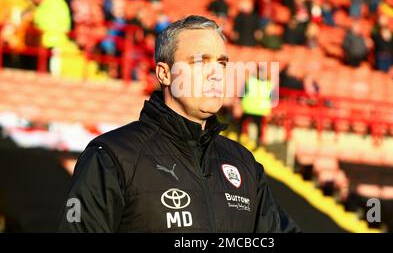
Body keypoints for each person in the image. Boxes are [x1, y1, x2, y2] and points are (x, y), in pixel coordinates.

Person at [57, 15, 300, 233]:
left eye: (221, 63)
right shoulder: (112, 157)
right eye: (200, 62)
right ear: (164, 73)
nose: (215, 73)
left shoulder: (243, 163)